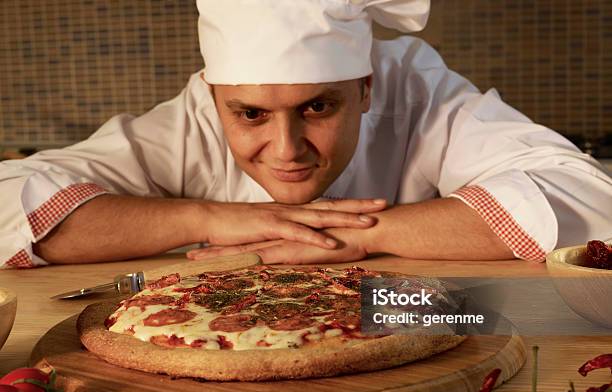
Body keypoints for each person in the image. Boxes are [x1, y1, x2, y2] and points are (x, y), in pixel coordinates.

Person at [1, 0, 610, 269]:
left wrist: (369, 237)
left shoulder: (419, 90)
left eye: (317, 107)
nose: (287, 150)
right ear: (214, 99)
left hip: (420, 321)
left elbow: (593, 201)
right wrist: (206, 220)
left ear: (366, 88)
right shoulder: (192, 118)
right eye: (251, 116)